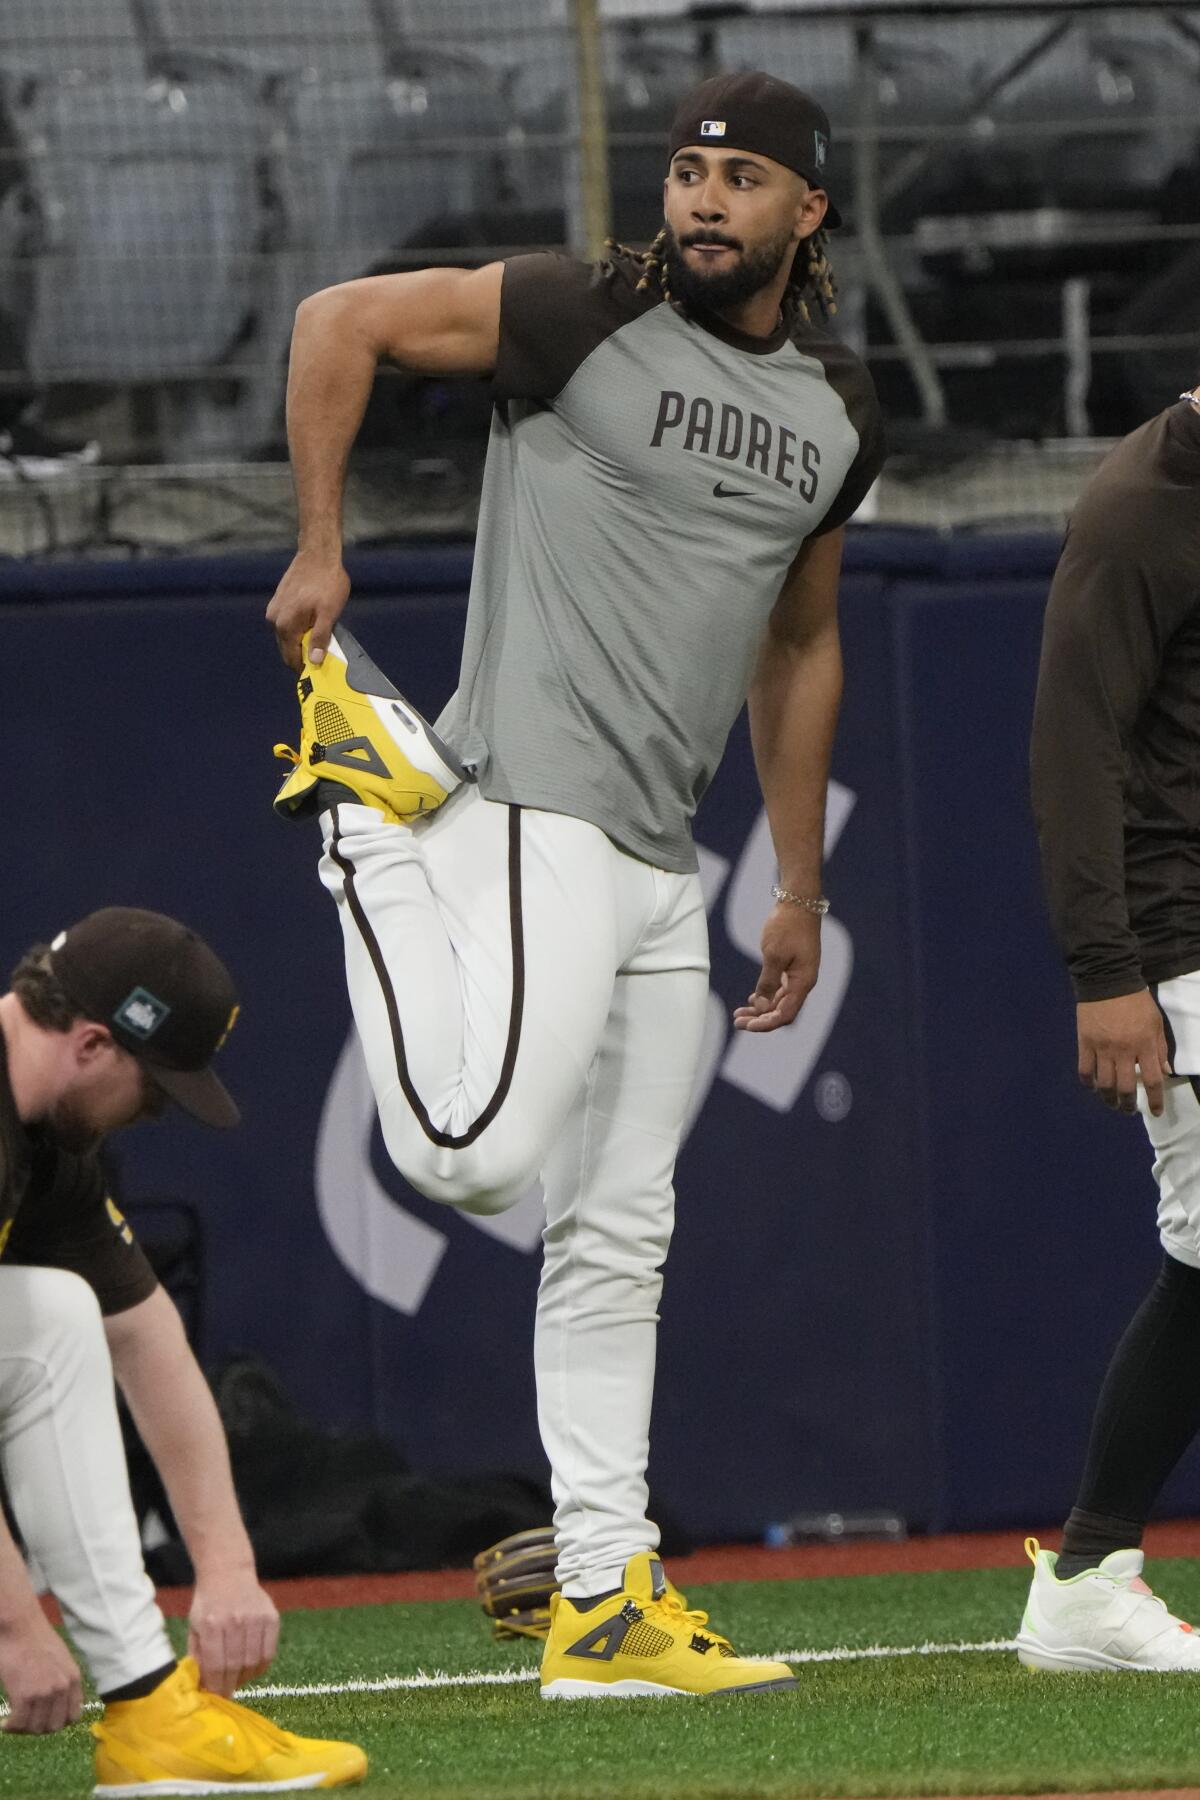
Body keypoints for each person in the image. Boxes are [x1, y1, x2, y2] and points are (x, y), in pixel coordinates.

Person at [267, 70, 884, 1700]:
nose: (700, 199)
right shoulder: (579, 312)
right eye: (687, 169)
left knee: (619, 1238)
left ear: (806, 212)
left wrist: (798, 884)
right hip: (525, 802)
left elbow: (804, 643)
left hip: (662, 861)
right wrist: (320, 545)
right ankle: (360, 827)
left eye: (739, 177)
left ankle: (605, 1603)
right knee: (474, 1162)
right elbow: (337, 321)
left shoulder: (838, 402)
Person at [0, 906, 367, 1787]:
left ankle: (149, 1712)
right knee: (46, 1318)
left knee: (51, 1309)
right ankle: (148, 1705)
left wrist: (229, 1570)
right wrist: (13, 1624)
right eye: (154, 1088)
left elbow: (147, 1337)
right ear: (92, 1045)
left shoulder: (46, 1146)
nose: (152, 1114)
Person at [1021, 383, 1200, 1672]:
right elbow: (1072, 740)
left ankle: (1093, 1569)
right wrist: (1107, 968)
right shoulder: (1146, 502)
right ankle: (1088, 1572)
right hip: (1179, 924)